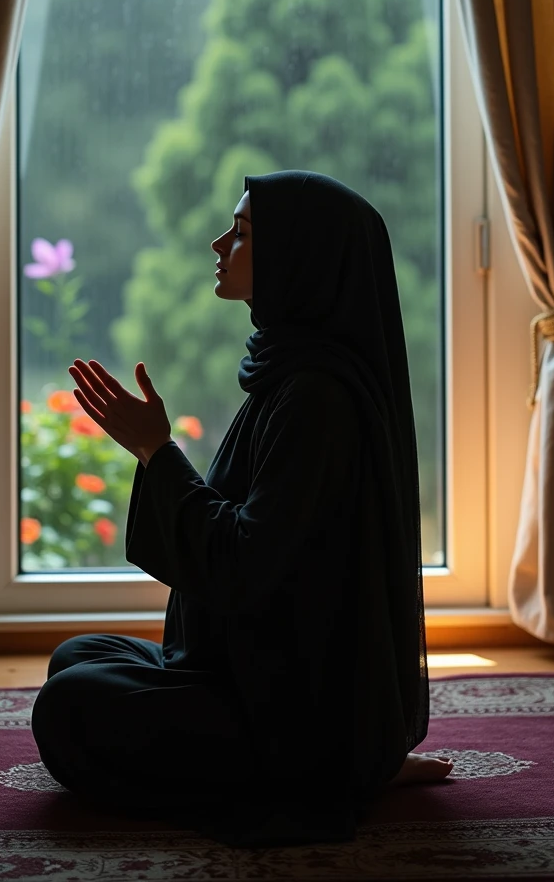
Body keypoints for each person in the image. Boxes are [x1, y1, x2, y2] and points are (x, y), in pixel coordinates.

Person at [30, 169, 452, 849]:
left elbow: (244, 566)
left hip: (291, 707)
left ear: (298, 259)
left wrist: (157, 452)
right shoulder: (289, 369)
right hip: (246, 668)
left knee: (69, 709)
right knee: (74, 657)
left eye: (243, 233)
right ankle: (338, 765)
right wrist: (154, 454)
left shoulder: (319, 398)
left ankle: (340, 775)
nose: (218, 242)